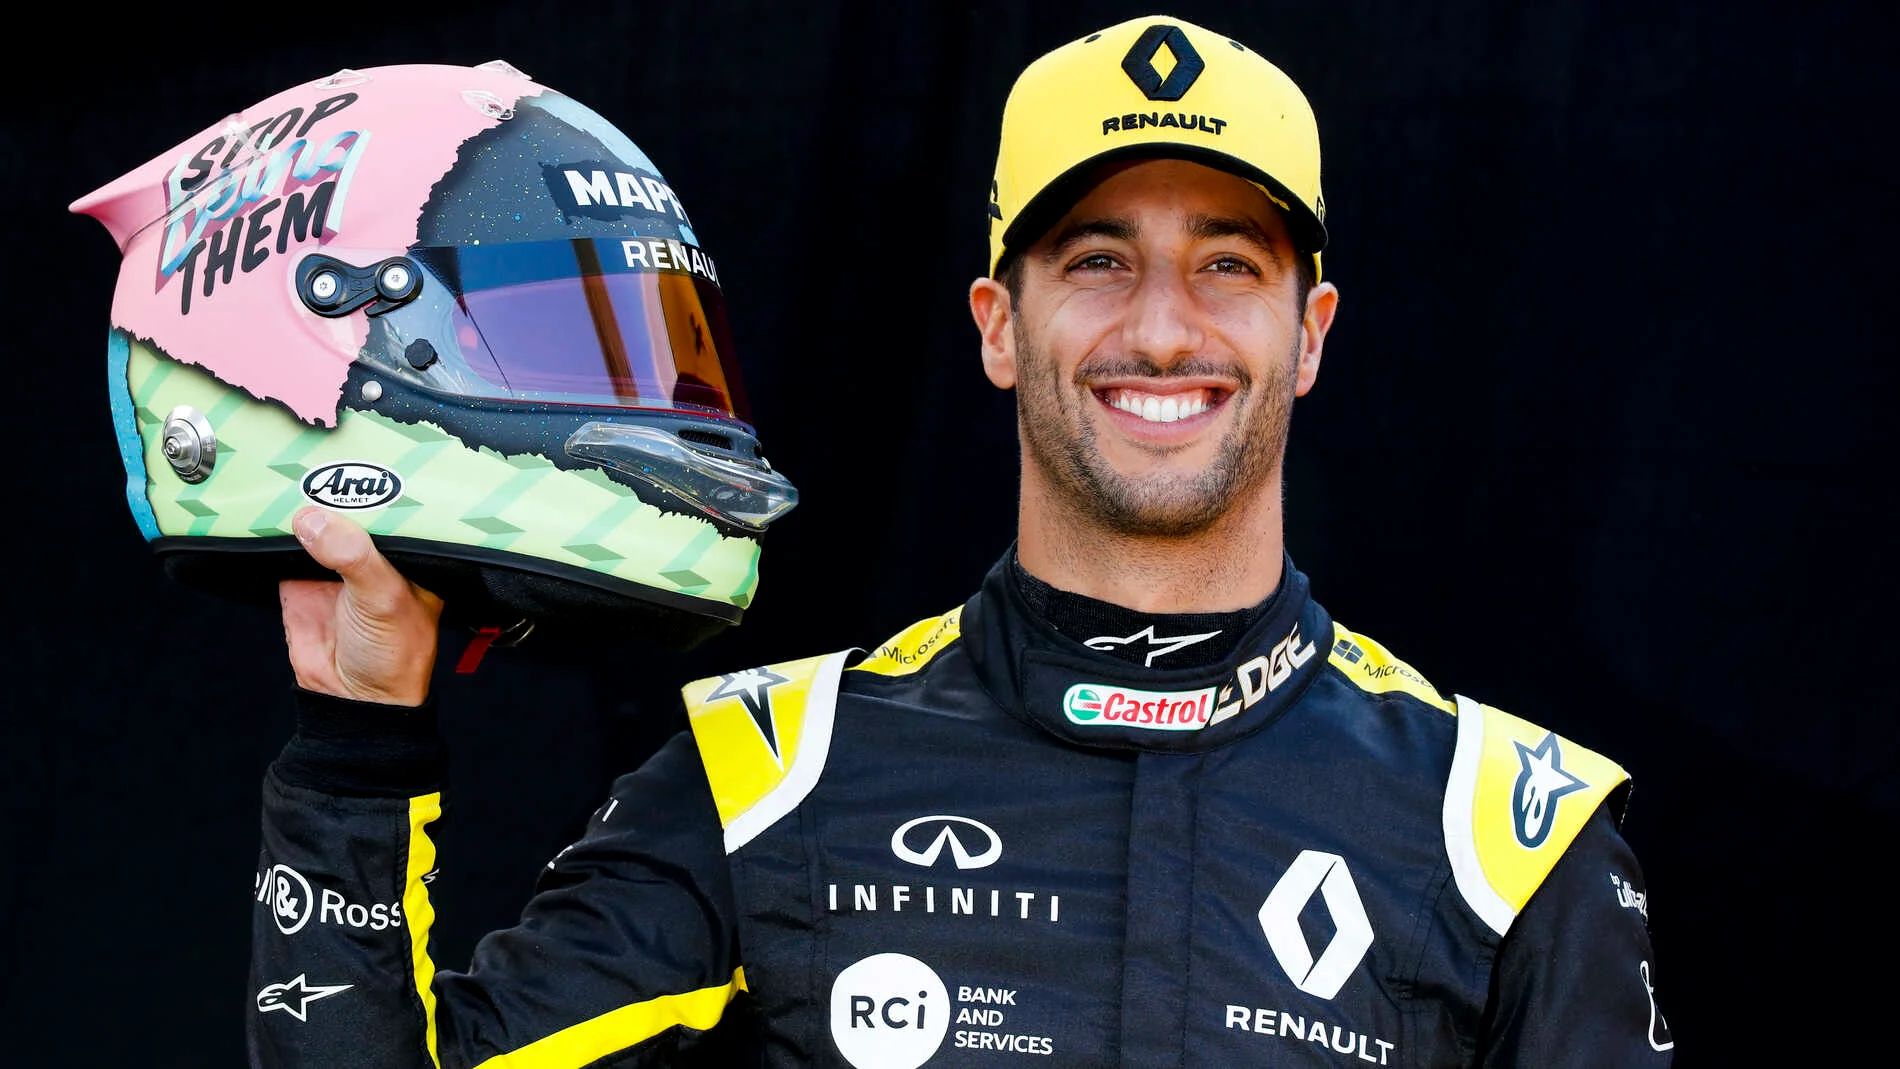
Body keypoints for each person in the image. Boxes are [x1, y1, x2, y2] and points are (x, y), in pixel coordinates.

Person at [242, 14, 1674, 1068]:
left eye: (1228, 264)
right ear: (999, 326)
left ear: (1309, 335)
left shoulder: (1507, 830)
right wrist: (358, 741)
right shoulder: (770, 771)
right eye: (1097, 259)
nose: (1162, 327)